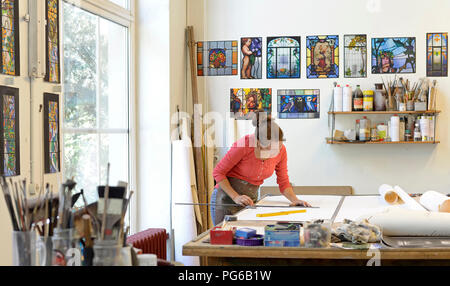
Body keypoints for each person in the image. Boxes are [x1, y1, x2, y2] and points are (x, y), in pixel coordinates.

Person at [210, 112, 311, 225]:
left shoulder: (281, 151)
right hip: (225, 199)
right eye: (269, 148)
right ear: (258, 142)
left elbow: (283, 181)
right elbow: (218, 172)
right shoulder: (244, 145)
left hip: (249, 201)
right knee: (224, 237)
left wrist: (295, 199)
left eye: (278, 146)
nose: (275, 152)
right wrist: (236, 197)